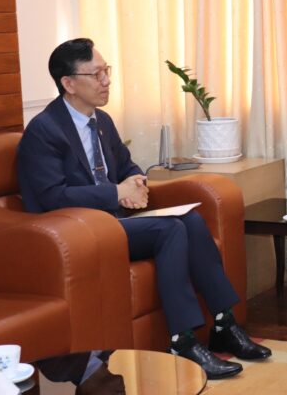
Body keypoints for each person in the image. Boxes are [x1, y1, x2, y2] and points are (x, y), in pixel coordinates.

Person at [17, 38, 271, 380]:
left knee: (191, 220)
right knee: (170, 229)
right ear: (69, 83)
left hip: (113, 223)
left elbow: (126, 165)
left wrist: (136, 183)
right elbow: (52, 197)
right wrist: (114, 193)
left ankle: (225, 323)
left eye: (106, 71)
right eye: (96, 74)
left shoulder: (101, 121)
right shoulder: (44, 131)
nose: (107, 81)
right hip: (81, 233)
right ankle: (182, 341)